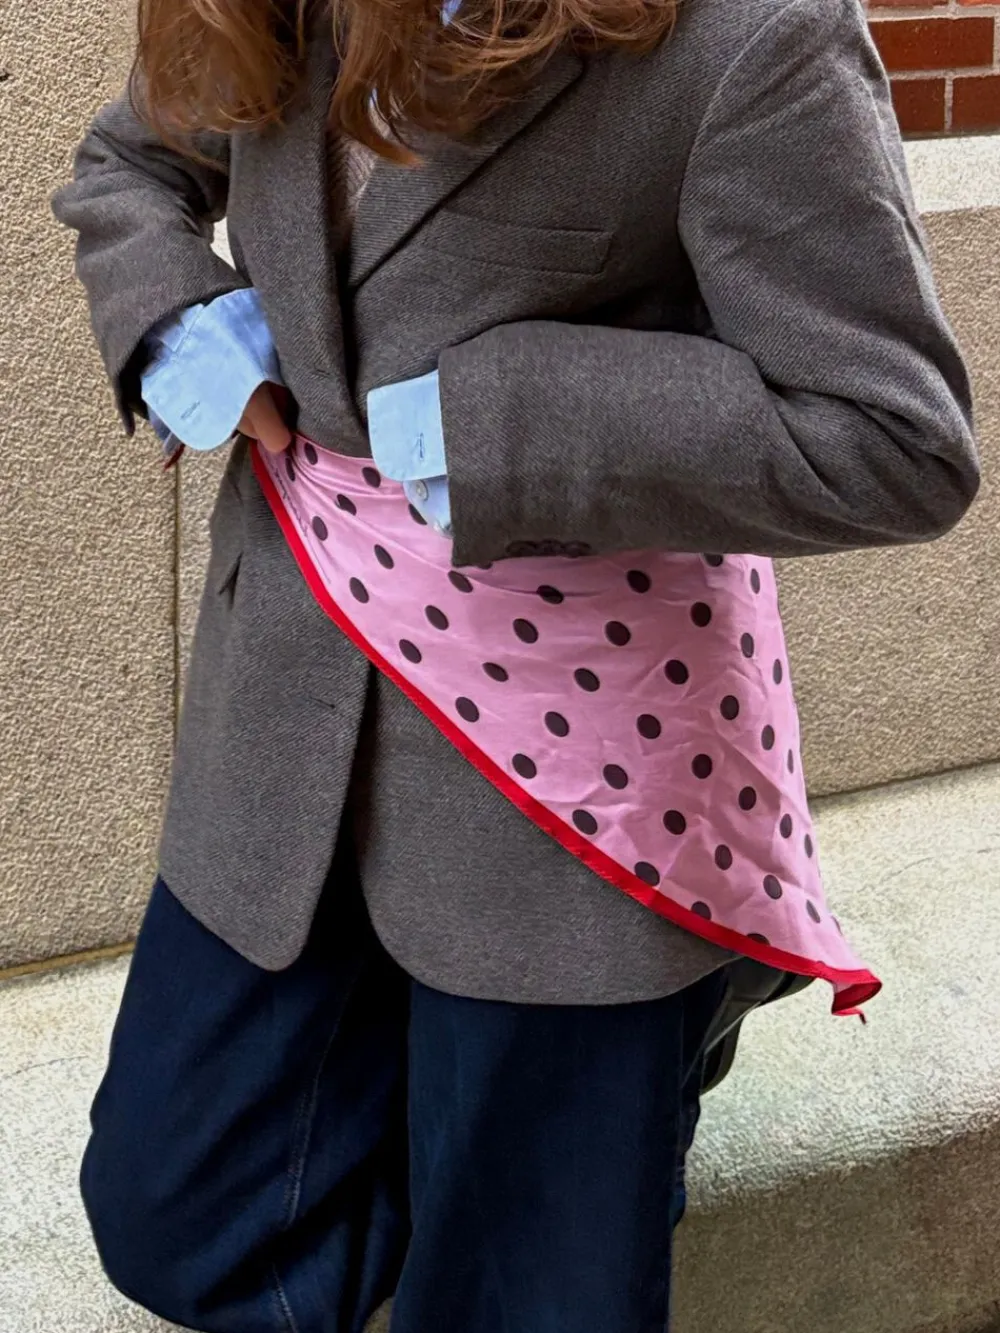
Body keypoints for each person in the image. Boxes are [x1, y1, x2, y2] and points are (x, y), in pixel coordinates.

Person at [52, 0, 978, 1323]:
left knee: (530, 1292)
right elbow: (130, 164)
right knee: (178, 1219)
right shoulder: (257, 7)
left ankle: (656, 1039)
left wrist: (503, 421)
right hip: (287, 710)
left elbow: (894, 439)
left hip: (577, 785)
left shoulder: (754, 35)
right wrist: (177, 320)